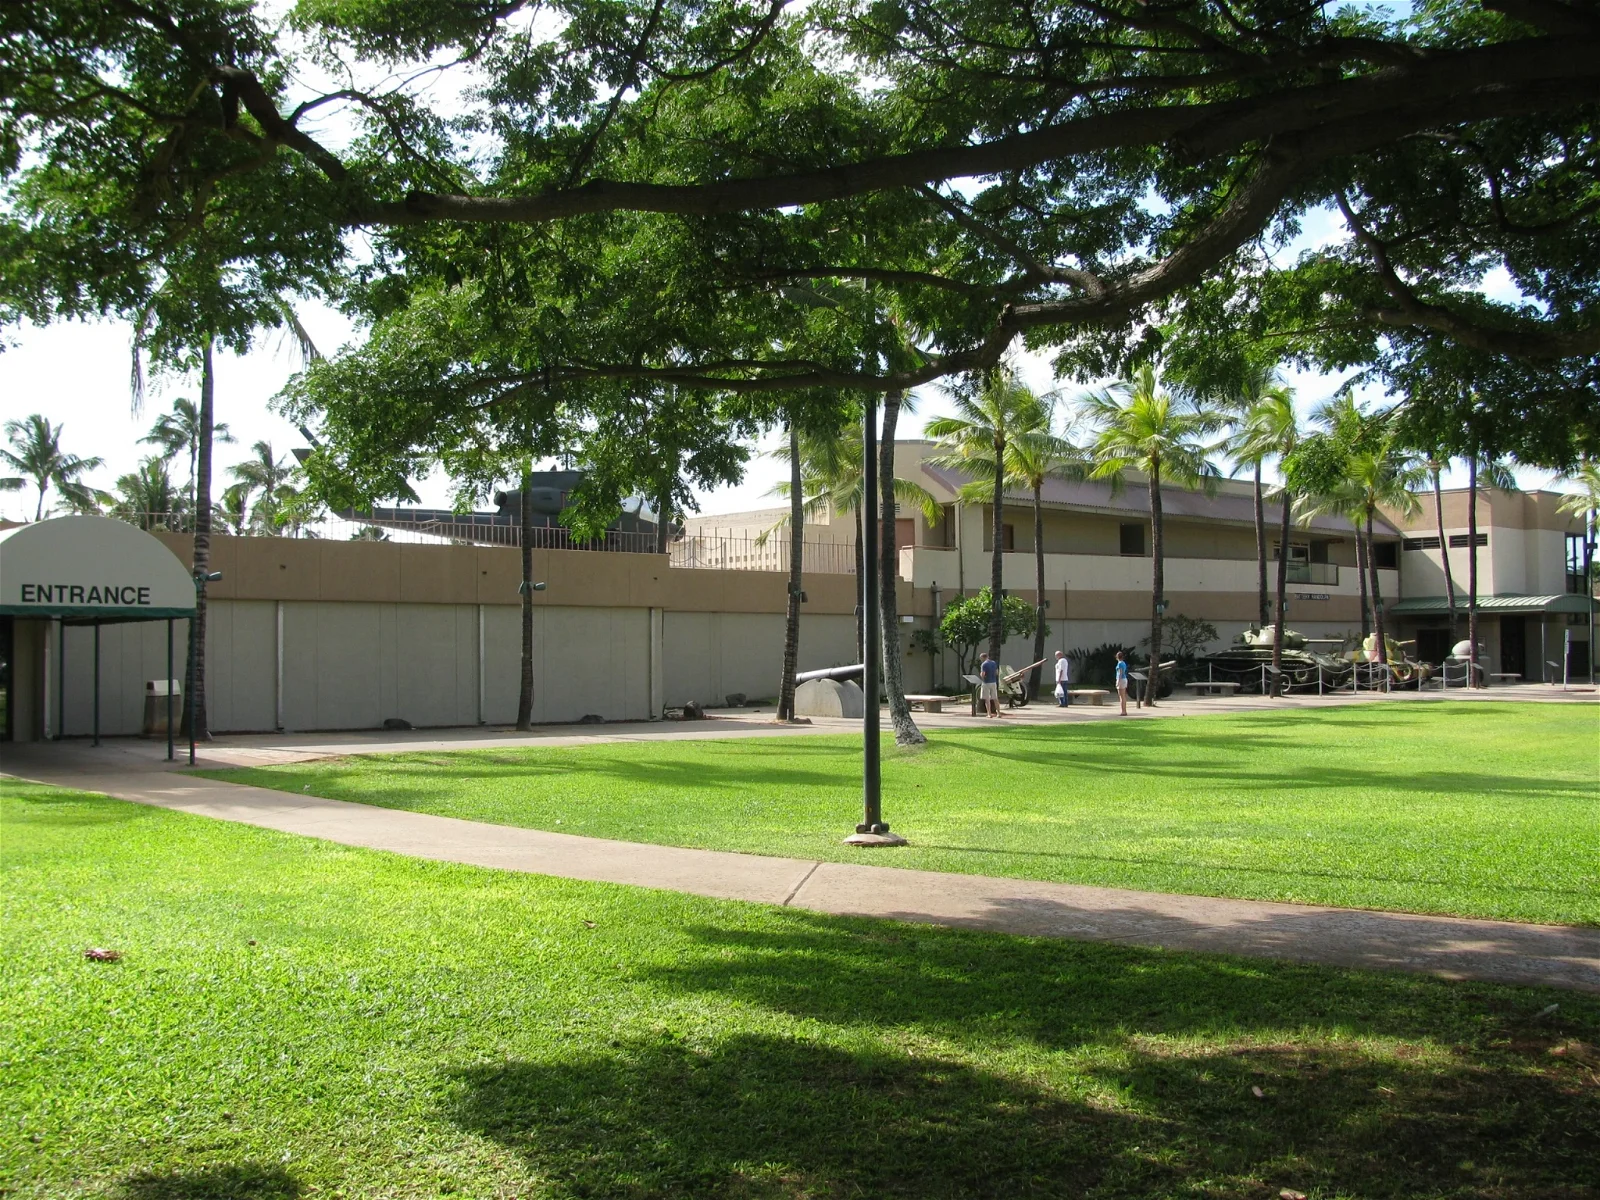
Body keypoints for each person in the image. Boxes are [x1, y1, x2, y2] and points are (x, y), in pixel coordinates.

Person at [978, 652, 1001, 717]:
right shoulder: (993, 663)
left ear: (983, 658)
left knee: (987, 699)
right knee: (995, 698)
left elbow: (983, 674)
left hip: (986, 682)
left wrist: (981, 675)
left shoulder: (983, 664)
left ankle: (989, 714)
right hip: (993, 682)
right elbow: (996, 672)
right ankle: (998, 713)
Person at [1114, 650, 1129, 716]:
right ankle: (1124, 710)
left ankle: (1123, 711)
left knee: (1121, 696)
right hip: (1124, 679)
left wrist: (1118, 681)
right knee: (1123, 696)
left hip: (1121, 679)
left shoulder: (1120, 664)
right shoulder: (1123, 663)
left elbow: (1120, 673)